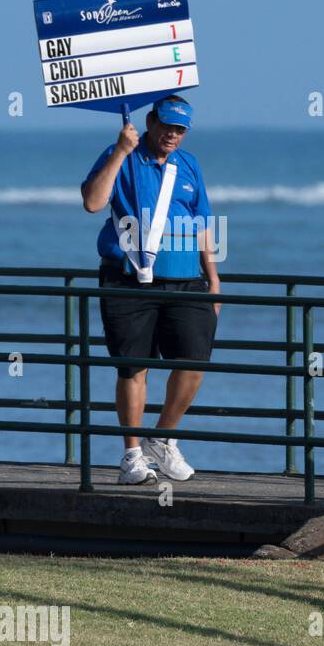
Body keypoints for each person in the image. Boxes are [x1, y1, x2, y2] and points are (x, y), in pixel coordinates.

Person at [80, 95, 219, 485]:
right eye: (167, 126)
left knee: (194, 361)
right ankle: (131, 456)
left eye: (180, 129)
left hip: (186, 278)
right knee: (133, 367)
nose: (173, 135)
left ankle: (163, 437)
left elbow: (202, 221)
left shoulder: (189, 164)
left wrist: (214, 275)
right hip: (128, 276)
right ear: (151, 121)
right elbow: (93, 202)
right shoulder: (121, 153)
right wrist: (121, 151)